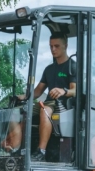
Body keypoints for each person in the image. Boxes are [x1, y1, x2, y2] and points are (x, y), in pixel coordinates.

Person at [29, 34, 76, 162]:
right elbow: (38, 92)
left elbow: (75, 90)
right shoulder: (49, 69)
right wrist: (23, 97)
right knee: (23, 113)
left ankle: (41, 151)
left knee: (45, 112)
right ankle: (16, 149)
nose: (53, 49)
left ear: (66, 46)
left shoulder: (72, 66)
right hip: (48, 102)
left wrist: (64, 91)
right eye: (51, 46)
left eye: (56, 46)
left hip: (63, 104)